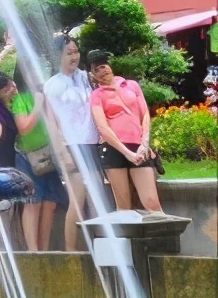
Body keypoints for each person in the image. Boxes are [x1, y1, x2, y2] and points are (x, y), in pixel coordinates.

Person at [43, 33, 102, 250]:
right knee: (77, 201)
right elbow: (52, 123)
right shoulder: (52, 85)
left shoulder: (87, 78)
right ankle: (71, 252)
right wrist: (62, 153)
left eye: (76, 52)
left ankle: (100, 247)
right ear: (58, 55)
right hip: (71, 147)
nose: (74, 56)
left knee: (97, 200)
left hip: (92, 144)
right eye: (69, 53)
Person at [88, 49, 162, 212]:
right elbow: (102, 127)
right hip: (114, 149)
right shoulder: (96, 95)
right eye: (96, 69)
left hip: (138, 145)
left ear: (110, 66)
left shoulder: (131, 85)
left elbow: (145, 114)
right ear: (92, 74)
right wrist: (127, 153)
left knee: (151, 202)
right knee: (123, 206)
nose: (102, 71)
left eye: (103, 66)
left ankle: (164, 236)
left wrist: (145, 142)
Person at [11, 63, 66, 251]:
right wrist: (37, 105)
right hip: (28, 158)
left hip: (48, 156)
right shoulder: (20, 99)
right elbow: (24, 127)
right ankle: (33, 251)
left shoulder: (46, 95)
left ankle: (44, 249)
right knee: (33, 202)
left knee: (50, 202)